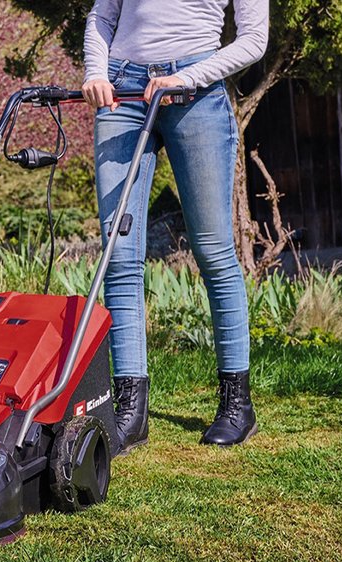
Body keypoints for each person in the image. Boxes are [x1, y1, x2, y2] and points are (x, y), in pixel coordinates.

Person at [82, 0, 269, 452]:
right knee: (119, 256)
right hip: (123, 94)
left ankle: (237, 405)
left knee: (214, 252)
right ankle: (131, 410)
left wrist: (188, 76)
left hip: (196, 93)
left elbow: (254, 39)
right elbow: (103, 15)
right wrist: (96, 72)